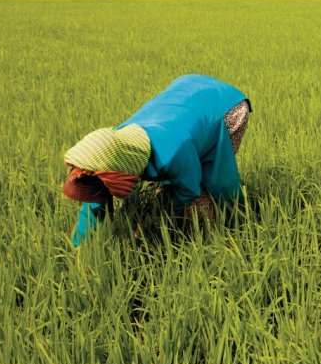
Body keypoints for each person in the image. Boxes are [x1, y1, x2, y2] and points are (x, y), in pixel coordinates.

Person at [61, 74, 251, 245]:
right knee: (183, 170)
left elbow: (188, 191)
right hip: (186, 95)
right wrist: (79, 247)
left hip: (225, 107)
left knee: (204, 193)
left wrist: (163, 222)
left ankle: (239, 222)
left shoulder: (174, 150)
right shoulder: (110, 148)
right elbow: (94, 199)